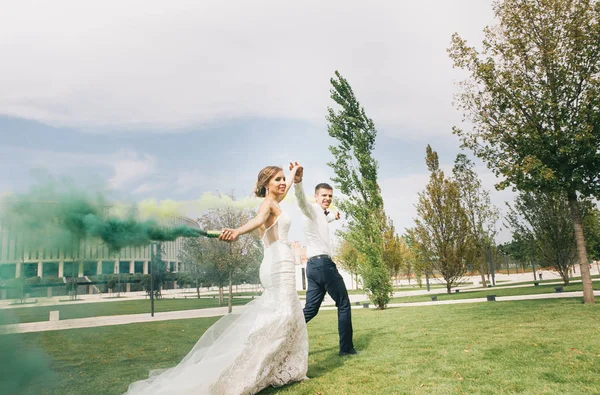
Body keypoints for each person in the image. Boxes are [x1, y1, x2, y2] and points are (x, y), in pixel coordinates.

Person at [125, 164, 308, 395]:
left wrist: (294, 175)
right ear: (266, 185)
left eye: (284, 179)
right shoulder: (267, 205)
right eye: (277, 180)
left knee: (287, 314)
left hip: (277, 263)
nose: (283, 183)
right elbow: (258, 219)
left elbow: (285, 187)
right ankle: (248, 370)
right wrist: (238, 231)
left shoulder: (276, 201)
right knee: (283, 316)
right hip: (278, 265)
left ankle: (279, 368)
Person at [290, 162, 356, 357]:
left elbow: (323, 219)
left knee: (310, 310)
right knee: (343, 303)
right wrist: (298, 182)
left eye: (330, 196)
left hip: (311, 266)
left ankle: (284, 337)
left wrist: (334, 216)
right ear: (316, 197)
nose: (327, 199)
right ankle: (346, 348)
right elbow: (301, 201)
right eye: (324, 196)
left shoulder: (318, 214)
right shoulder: (310, 208)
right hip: (323, 265)